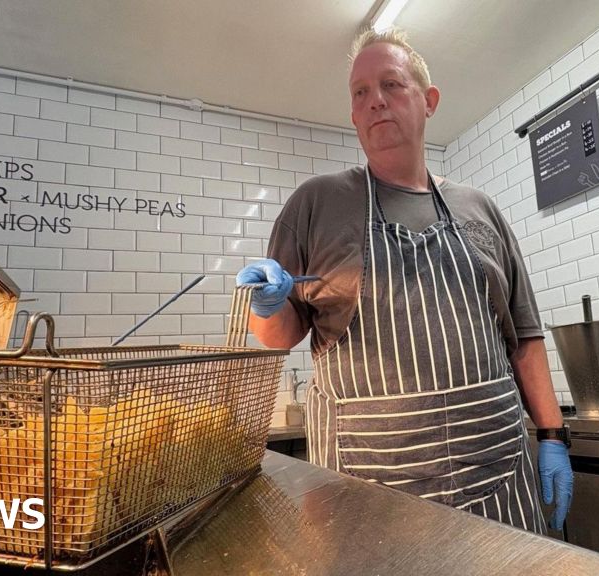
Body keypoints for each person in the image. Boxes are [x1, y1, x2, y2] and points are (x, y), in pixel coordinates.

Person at [236, 28, 573, 533]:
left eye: (391, 85)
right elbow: (277, 337)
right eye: (360, 93)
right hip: (366, 484)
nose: (375, 101)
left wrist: (551, 434)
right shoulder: (315, 204)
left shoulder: (479, 207)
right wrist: (265, 305)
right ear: (354, 115)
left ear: (429, 100)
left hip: (496, 473)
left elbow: (523, 335)